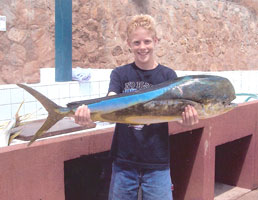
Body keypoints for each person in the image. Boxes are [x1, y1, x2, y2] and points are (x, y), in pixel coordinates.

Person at [74, 14, 199, 200]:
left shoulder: (168, 76)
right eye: (137, 42)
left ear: (156, 41)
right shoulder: (120, 74)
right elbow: (111, 101)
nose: (142, 47)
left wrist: (187, 121)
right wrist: (87, 116)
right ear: (128, 44)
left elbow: (177, 115)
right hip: (124, 164)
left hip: (157, 164)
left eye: (147, 41)